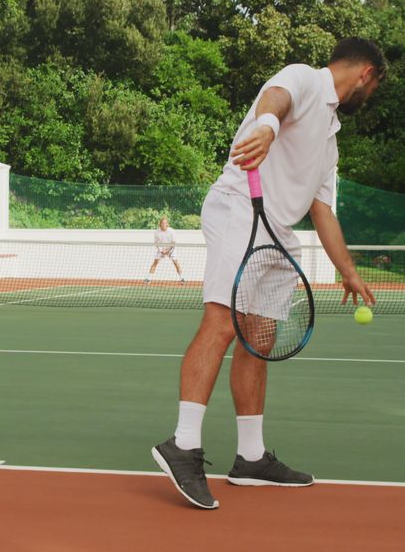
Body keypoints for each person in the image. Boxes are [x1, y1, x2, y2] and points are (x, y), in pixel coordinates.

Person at [151, 37, 385, 509]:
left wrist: (349, 271)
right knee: (220, 323)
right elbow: (274, 99)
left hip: (279, 231)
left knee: (259, 337)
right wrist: (267, 126)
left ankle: (251, 458)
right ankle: (182, 444)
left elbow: (322, 209)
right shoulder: (303, 77)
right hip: (240, 209)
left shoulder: (329, 136)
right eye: (375, 86)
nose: (372, 95)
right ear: (366, 74)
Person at [144, 217, 186, 285]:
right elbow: (156, 243)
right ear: (160, 224)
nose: (163, 224)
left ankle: (182, 278)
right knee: (155, 262)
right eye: (162, 223)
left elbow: (173, 243)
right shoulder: (157, 232)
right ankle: (148, 279)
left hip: (171, 249)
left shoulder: (171, 231)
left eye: (165, 223)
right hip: (161, 249)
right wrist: (161, 250)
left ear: (167, 224)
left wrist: (167, 250)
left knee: (176, 262)